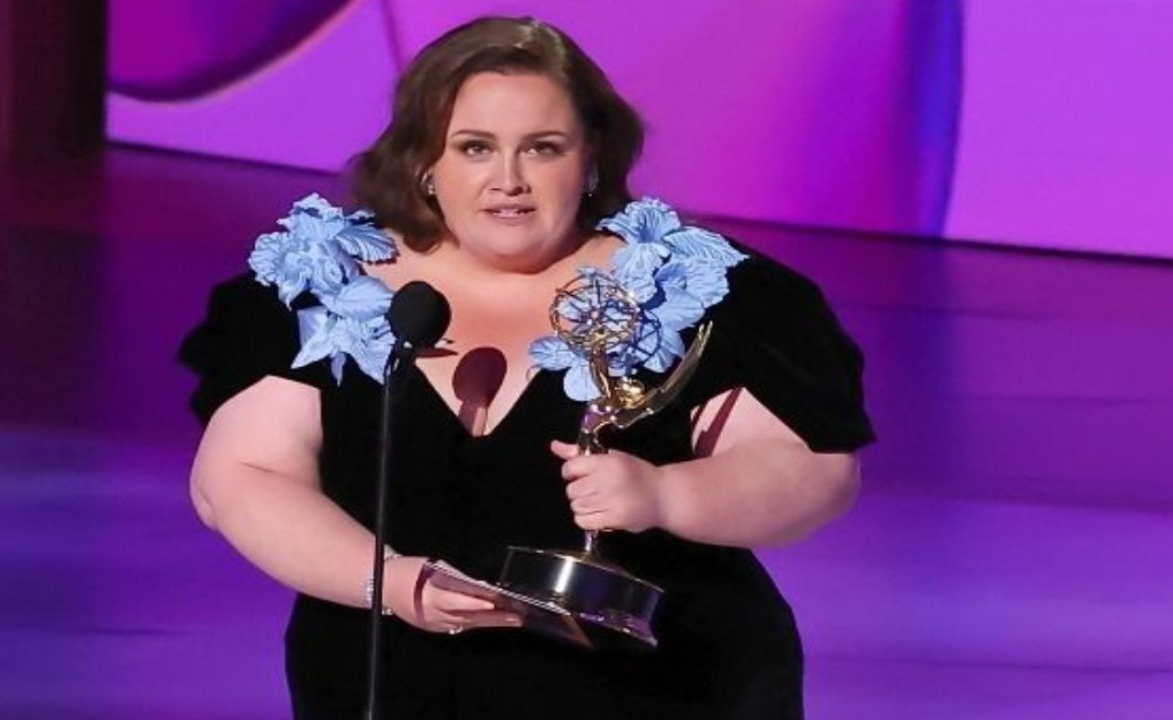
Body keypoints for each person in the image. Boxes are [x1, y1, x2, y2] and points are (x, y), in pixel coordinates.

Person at [180, 15, 874, 720]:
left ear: (593, 156)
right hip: (389, 685)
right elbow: (241, 479)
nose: (508, 180)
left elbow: (812, 472)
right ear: (424, 160)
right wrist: (389, 581)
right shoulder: (322, 282)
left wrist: (666, 496)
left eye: (542, 149)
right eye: (475, 147)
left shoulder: (702, 290)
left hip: (664, 690)